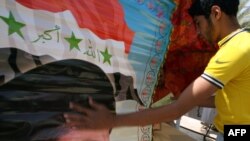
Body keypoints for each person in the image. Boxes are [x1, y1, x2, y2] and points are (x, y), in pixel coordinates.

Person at [64, 0, 250, 140]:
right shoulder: (242, 44)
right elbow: (231, 98)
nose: (199, 32)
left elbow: (177, 110)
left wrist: (112, 121)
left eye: (199, 23)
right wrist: (186, 95)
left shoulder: (234, 50)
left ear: (216, 13)